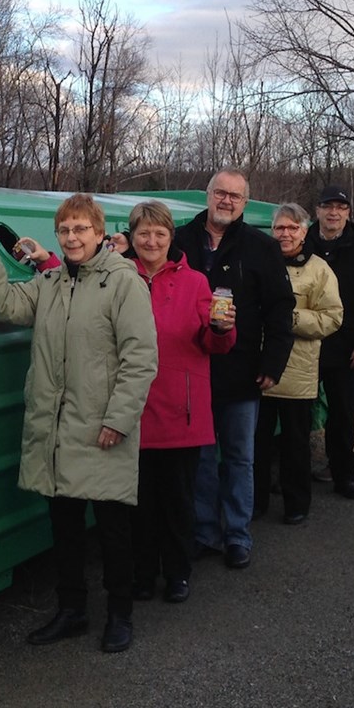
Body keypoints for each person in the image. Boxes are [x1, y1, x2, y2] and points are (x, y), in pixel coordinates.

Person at [0, 195, 157, 653]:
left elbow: (141, 358)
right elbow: (6, 306)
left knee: (112, 529)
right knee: (64, 526)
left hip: (103, 427)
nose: (72, 238)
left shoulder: (124, 283)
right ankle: (72, 611)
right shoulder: (48, 282)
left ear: (99, 232)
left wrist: (120, 420)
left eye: (81, 230)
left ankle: (120, 615)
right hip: (56, 427)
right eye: (65, 230)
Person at [173, 170, 295, 569]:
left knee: (240, 457)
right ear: (207, 196)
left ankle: (237, 535)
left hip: (241, 371)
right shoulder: (179, 240)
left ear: (245, 202)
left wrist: (274, 362)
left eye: (235, 196)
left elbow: (281, 310)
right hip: (190, 368)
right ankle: (204, 532)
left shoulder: (261, 247)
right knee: (202, 458)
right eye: (220, 193)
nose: (226, 201)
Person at [122, 201, 237, 605]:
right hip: (130, 410)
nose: (151, 241)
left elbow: (214, 343)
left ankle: (177, 573)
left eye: (159, 234)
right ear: (131, 237)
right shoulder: (118, 279)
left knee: (178, 502)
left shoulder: (195, 283)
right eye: (143, 233)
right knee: (138, 504)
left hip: (181, 412)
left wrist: (223, 330)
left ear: (171, 238)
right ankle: (141, 575)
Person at [254, 204, 343, 525]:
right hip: (259, 367)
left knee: (294, 444)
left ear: (305, 232)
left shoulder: (318, 270)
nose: (286, 234)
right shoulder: (260, 261)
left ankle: (296, 503)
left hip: (298, 371)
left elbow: (333, 317)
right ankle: (256, 501)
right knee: (257, 442)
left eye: (293, 228)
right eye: (280, 228)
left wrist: (288, 317)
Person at [305, 185, 354, 501]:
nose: (333, 213)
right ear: (318, 211)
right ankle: (292, 474)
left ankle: (344, 475)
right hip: (305, 344)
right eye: (328, 206)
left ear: (348, 213)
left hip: (344, 347)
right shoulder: (303, 243)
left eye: (340, 207)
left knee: (342, 414)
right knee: (297, 413)